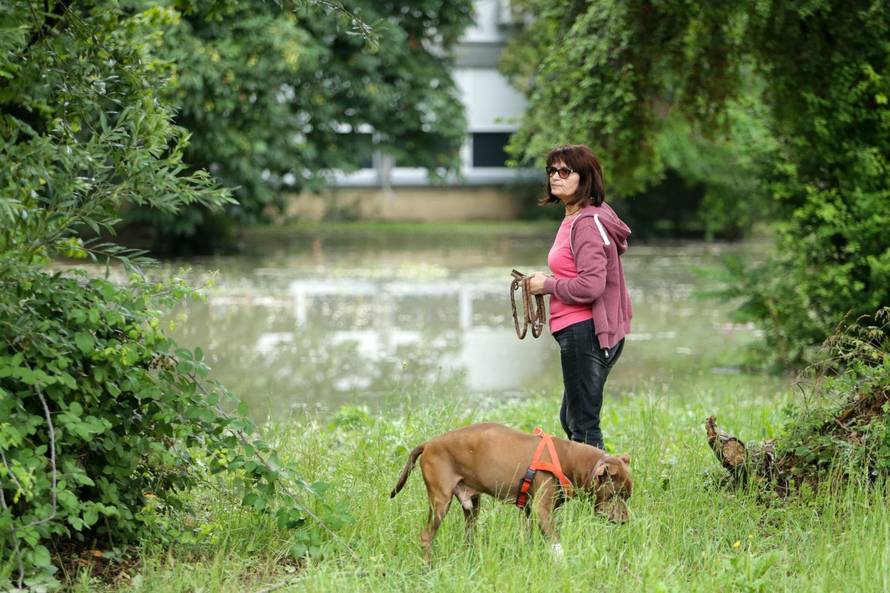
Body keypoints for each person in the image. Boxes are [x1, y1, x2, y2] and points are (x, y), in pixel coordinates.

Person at [526, 144, 632, 450]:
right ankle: (591, 487)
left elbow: (591, 286)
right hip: (578, 330)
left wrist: (547, 285)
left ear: (584, 178)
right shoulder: (578, 217)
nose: (554, 177)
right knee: (572, 418)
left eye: (564, 171)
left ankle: (602, 492)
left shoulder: (587, 223)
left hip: (586, 330)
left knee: (582, 424)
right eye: (551, 171)